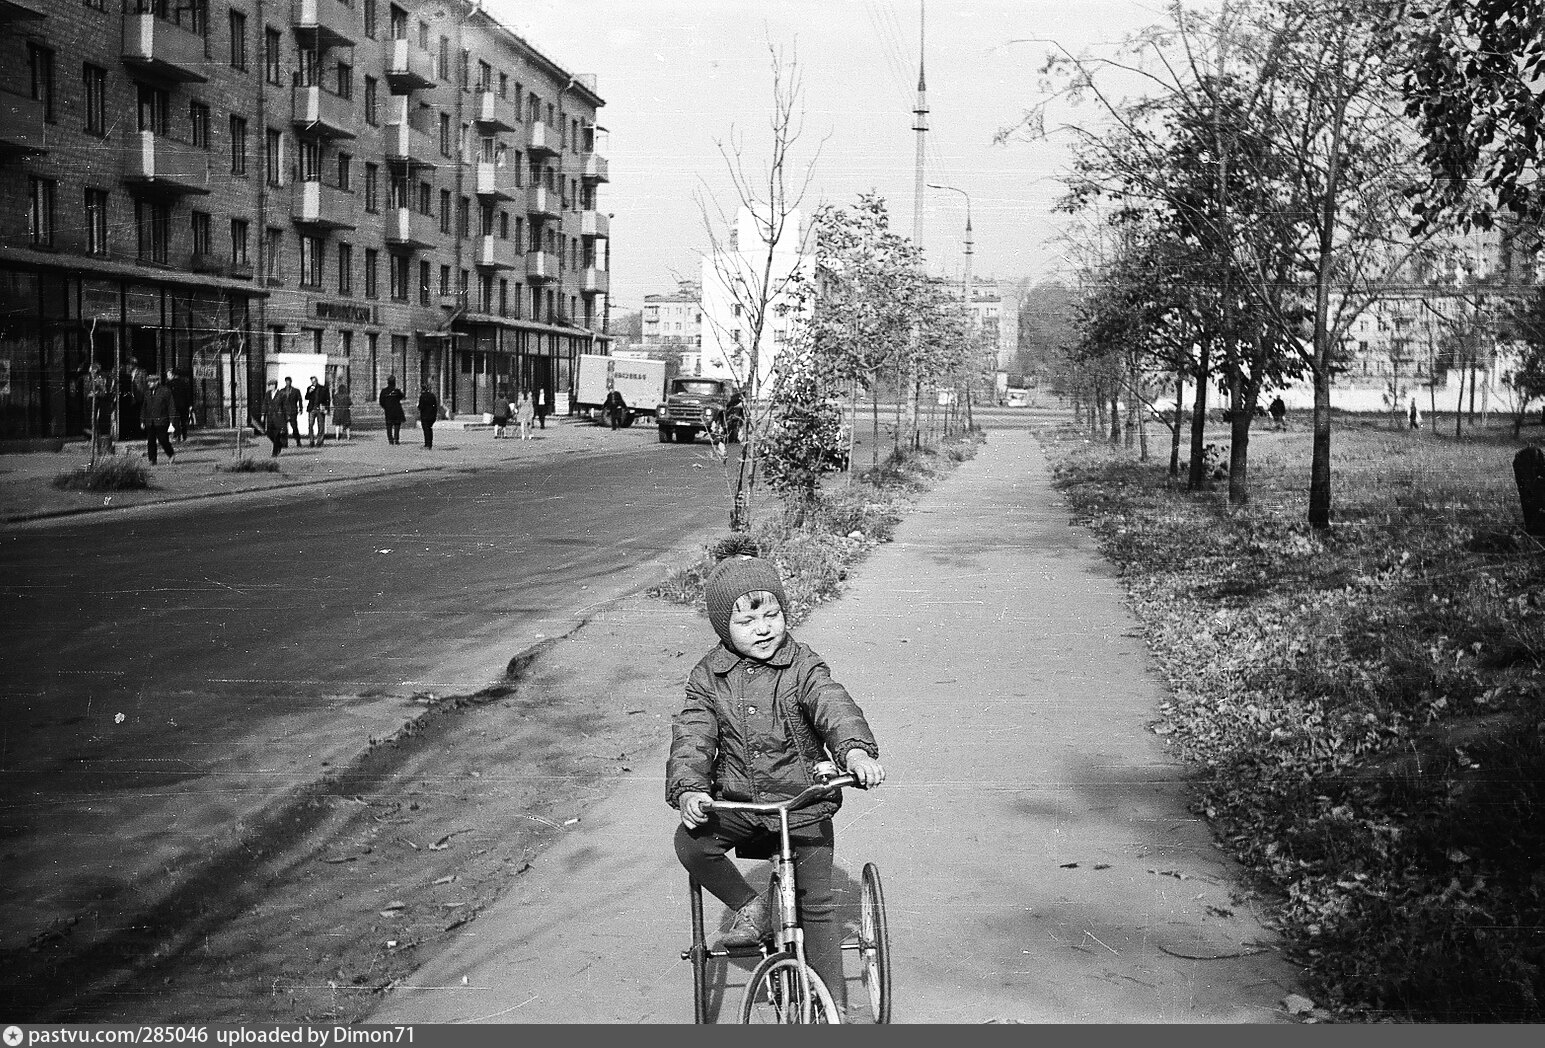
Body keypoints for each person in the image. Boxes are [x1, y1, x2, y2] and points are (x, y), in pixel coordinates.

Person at [667, 554, 885, 1019]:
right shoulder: (708, 678)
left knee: (817, 908)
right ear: (724, 627)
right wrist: (690, 790)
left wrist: (854, 752)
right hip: (739, 806)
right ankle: (751, 906)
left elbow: (832, 703)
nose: (763, 629)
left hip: (802, 804)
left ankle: (834, 1009)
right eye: (747, 620)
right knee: (691, 844)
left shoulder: (801, 665)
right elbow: (693, 735)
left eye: (772, 615)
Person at [139, 372, 177, 465]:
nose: (149, 384)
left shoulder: (165, 391)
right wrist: (142, 420)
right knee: (151, 441)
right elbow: (144, 407)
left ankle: (171, 454)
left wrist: (172, 422)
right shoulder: (147, 393)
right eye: (148, 382)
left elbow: (171, 407)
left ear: (156, 382)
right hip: (150, 421)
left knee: (163, 439)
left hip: (162, 421)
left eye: (151, 382)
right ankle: (152, 459)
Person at [166, 369, 193, 443]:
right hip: (184, 406)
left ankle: (176, 436)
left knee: (175, 421)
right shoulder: (185, 383)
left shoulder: (169, 384)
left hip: (174, 406)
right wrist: (190, 405)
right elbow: (188, 395)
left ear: (172, 375)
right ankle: (184, 437)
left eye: (168, 375)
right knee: (183, 421)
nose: (167, 377)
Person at [261, 379, 287, 457]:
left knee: (276, 435)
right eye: (269, 385)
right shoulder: (268, 394)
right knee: (269, 433)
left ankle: (274, 452)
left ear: (274, 385)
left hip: (278, 417)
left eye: (270, 385)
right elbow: (264, 404)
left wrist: (286, 416)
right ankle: (279, 444)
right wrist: (263, 414)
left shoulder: (281, 394)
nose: (269, 387)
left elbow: (285, 405)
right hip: (270, 417)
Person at [378, 377, 407, 445]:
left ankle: (390, 440)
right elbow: (402, 396)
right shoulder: (397, 391)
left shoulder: (384, 391)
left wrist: (386, 407)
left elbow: (381, 402)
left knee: (389, 425)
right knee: (397, 425)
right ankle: (396, 439)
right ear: (394, 382)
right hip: (397, 410)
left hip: (388, 411)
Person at [277, 376, 303, 448]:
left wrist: (300, 408)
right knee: (284, 428)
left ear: (291, 382)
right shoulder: (282, 391)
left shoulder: (296, 391)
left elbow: (300, 400)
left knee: (294, 427)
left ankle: (298, 441)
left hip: (293, 411)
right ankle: (284, 443)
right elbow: (279, 401)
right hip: (284, 412)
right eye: (287, 381)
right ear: (285, 382)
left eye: (289, 381)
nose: (288, 383)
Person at [304, 376, 330, 447]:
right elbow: (306, 397)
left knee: (321, 426)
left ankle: (319, 441)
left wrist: (327, 408)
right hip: (312, 409)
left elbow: (327, 399)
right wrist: (309, 392)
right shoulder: (310, 388)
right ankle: (311, 441)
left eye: (314, 381)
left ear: (317, 381)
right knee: (310, 425)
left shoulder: (323, 388)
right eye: (312, 382)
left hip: (320, 409)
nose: (313, 383)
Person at [417, 382, 440, 449]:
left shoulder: (422, 396)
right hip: (432, 415)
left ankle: (427, 445)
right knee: (430, 429)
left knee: (426, 430)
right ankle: (430, 444)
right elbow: (435, 406)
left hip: (425, 416)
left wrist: (418, 407)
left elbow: (421, 407)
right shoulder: (432, 396)